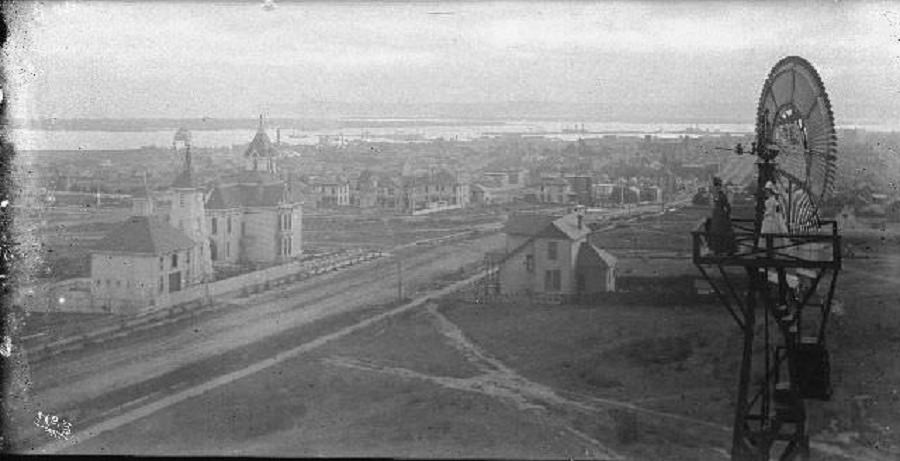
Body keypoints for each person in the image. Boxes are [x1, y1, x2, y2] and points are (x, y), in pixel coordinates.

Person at [709, 177, 736, 254]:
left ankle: (720, 249)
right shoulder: (718, 194)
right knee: (718, 231)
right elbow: (726, 205)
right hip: (718, 215)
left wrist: (727, 213)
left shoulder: (719, 194)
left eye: (718, 186)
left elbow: (726, 205)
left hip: (719, 215)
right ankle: (719, 249)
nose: (717, 187)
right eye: (717, 185)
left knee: (719, 231)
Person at [760, 181, 788, 250]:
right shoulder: (771, 200)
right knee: (768, 236)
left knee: (770, 235)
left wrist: (765, 213)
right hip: (768, 220)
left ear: (770, 191)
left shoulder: (772, 200)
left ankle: (771, 249)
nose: (766, 192)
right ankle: (770, 249)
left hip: (770, 220)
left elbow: (772, 211)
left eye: (767, 191)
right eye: (766, 190)